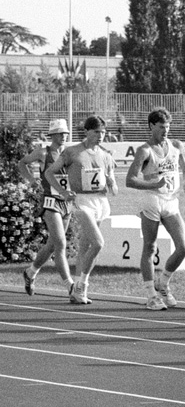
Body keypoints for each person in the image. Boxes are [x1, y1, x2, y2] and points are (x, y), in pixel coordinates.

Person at [45, 115, 118, 305]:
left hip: (100, 202)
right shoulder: (72, 152)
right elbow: (49, 172)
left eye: (103, 132)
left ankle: (77, 289)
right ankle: (82, 285)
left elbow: (111, 176)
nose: (100, 136)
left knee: (86, 247)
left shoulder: (106, 154)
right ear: (86, 131)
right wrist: (62, 191)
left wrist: (112, 183)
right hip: (81, 200)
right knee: (98, 243)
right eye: (96, 132)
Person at [126, 108, 185, 311]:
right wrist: (153, 184)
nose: (165, 130)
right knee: (150, 247)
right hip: (152, 200)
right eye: (161, 127)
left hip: (171, 201)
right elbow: (130, 180)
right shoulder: (144, 150)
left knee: (184, 246)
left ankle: (163, 282)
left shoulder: (175, 145)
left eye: (168, 126)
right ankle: (151, 294)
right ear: (151, 126)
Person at [18, 119, 75, 297]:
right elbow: (22, 163)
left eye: (65, 133)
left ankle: (30, 272)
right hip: (50, 202)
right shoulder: (43, 152)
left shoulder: (69, 153)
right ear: (53, 135)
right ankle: (70, 285)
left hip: (66, 203)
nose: (63, 136)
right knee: (60, 243)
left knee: (51, 245)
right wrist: (32, 180)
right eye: (60, 133)